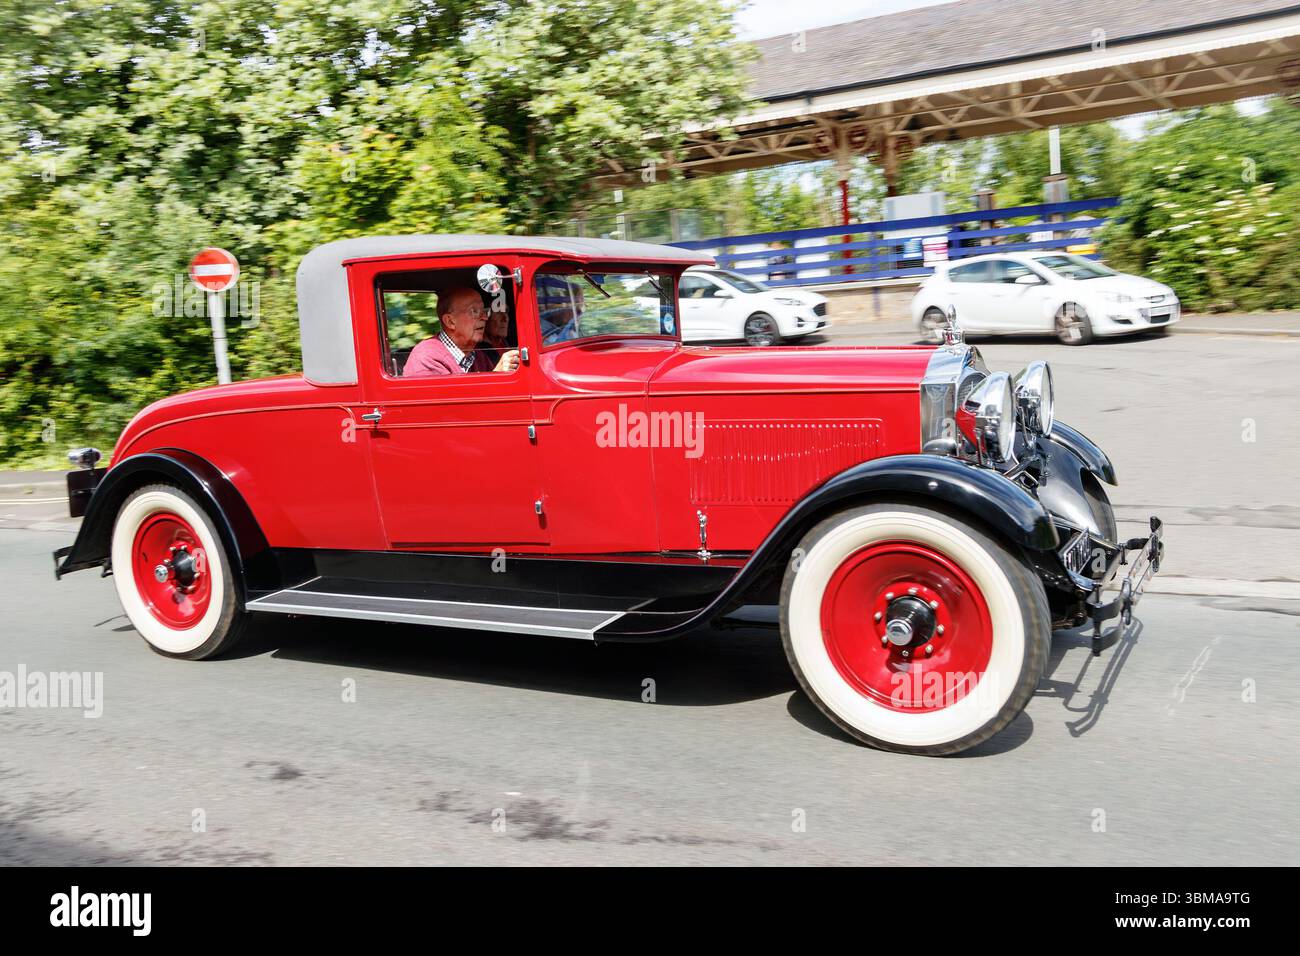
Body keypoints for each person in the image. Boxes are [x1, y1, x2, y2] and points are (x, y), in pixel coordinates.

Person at [404, 287, 519, 376]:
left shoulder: (479, 356)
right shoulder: (427, 357)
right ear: (450, 321)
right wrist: (496, 375)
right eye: (474, 311)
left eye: (485, 311)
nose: (484, 318)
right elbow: (449, 405)